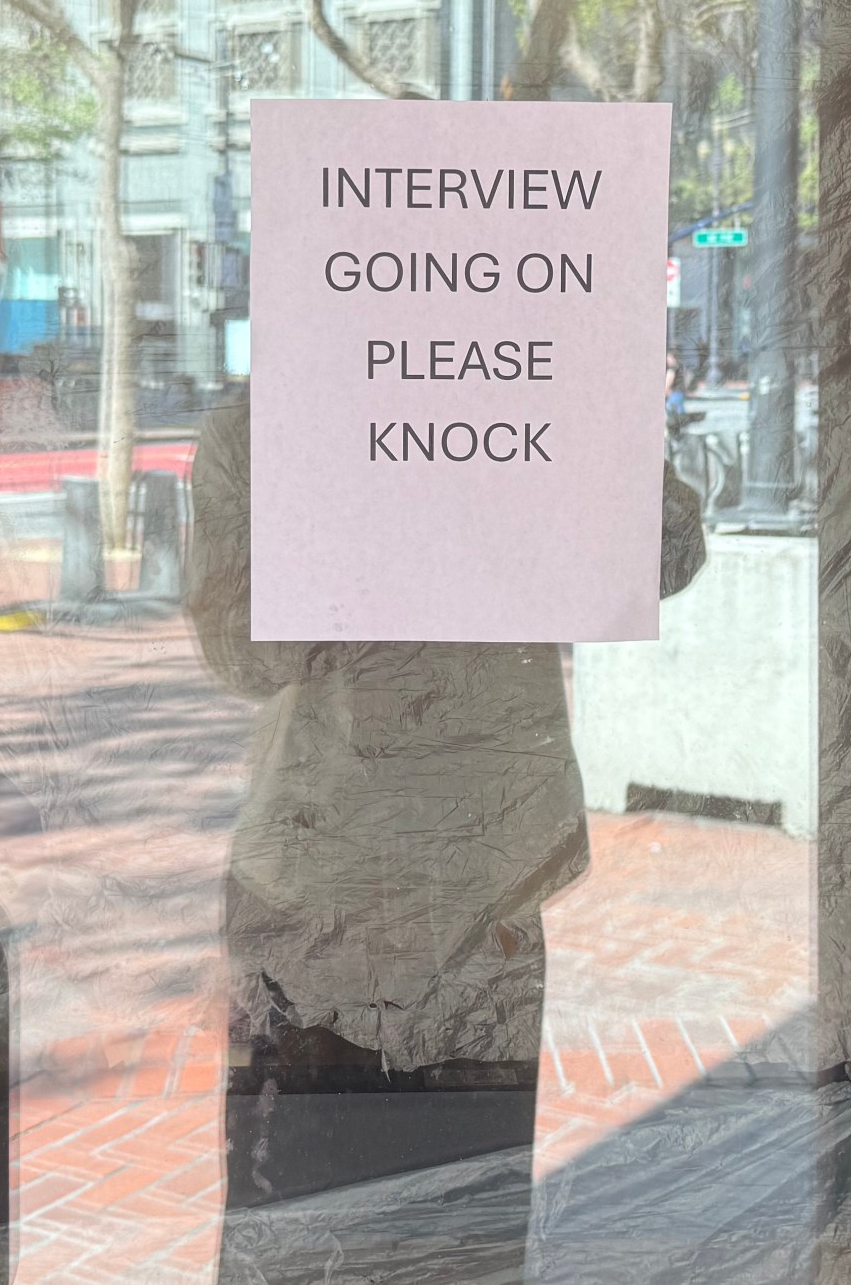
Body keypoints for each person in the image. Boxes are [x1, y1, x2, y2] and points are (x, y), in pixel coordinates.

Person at [184, 397, 708, 1281]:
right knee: (293, 1237)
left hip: (482, 890)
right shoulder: (272, 415)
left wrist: (570, 417)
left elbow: (669, 552)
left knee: (464, 1237)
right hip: (314, 898)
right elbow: (239, 647)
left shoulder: (525, 401)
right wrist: (373, 503)